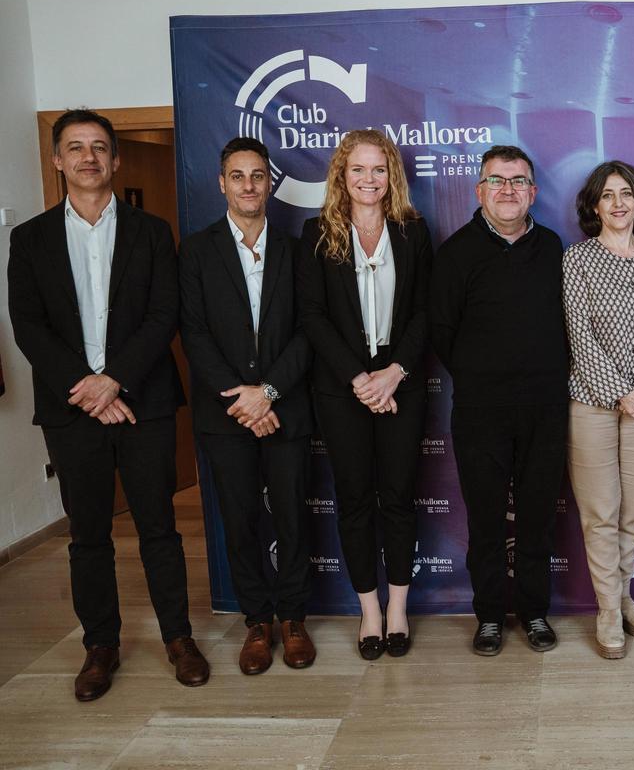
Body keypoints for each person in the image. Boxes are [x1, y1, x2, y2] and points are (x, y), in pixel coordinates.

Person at [7, 108, 209, 700]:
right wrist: (88, 388)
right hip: (72, 412)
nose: (88, 157)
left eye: (99, 147)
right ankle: (101, 645)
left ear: (116, 160)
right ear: (57, 160)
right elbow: (29, 325)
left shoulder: (152, 232)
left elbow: (162, 315)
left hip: (142, 402)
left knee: (160, 529)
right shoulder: (31, 238)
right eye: (75, 147)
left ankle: (178, 638)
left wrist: (114, 380)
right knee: (88, 535)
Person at [179, 137, 315, 675]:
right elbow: (193, 333)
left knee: (293, 519)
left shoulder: (297, 249)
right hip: (225, 413)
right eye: (238, 176)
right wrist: (243, 399)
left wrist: (269, 393)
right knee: (239, 522)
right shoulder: (196, 250)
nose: (249, 185)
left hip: (286, 407)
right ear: (221, 183)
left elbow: (308, 331)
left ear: (270, 182)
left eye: (257, 175)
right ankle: (256, 623)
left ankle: (294, 619)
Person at [294, 129, 432, 660]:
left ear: (391, 174)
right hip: (340, 388)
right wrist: (360, 379)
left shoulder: (413, 232)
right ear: (341, 176)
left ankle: (398, 607)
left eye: (379, 169)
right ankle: (368, 611)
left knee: (397, 498)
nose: (368, 179)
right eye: (358, 169)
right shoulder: (316, 232)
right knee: (354, 501)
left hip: (402, 383)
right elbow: (313, 316)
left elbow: (424, 311)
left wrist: (394, 372)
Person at [430, 145, 568, 657]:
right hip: (480, 411)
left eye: (517, 181)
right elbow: (441, 333)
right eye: (497, 180)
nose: (507, 190)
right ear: (479, 190)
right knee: (485, 522)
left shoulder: (554, 248)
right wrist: (483, 375)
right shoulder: (456, 252)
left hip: (546, 409)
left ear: (532, 192)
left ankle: (533, 613)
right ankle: (489, 616)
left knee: (536, 519)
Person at [563, 160, 634, 659]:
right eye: (608, 195)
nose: (619, 203)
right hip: (591, 402)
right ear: (595, 206)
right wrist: (620, 390)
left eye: (626, 193)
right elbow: (577, 335)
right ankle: (607, 610)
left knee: (630, 513)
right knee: (600, 513)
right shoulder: (577, 260)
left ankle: (625, 601)